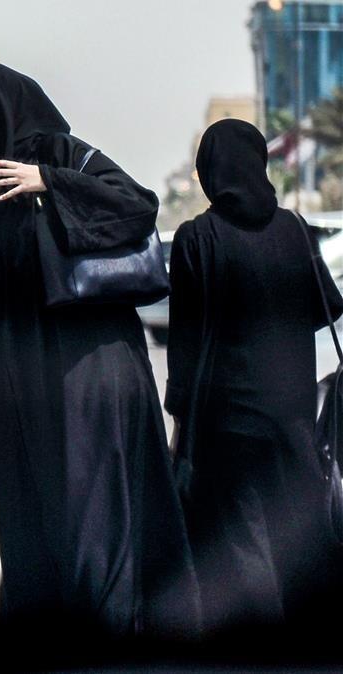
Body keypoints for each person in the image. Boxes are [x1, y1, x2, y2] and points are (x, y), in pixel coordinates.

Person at [0, 62, 200, 640]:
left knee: (93, 512)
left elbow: (136, 206)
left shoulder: (59, 151)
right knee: (25, 514)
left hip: (84, 368)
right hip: (6, 377)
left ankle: (109, 633)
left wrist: (48, 181)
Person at [166, 118, 343, 638]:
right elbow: (326, 306)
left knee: (238, 548)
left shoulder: (197, 238)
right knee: (298, 545)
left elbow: (186, 344)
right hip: (292, 422)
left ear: (209, 171)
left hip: (226, 428)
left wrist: (181, 428)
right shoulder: (294, 229)